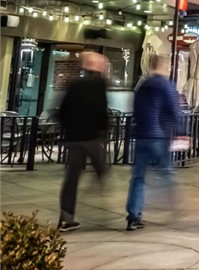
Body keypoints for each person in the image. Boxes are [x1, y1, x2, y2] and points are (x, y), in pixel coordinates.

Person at [125, 53, 186, 231]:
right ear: (164, 66)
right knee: (166, 172)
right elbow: (174, 109)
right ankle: (170, 204)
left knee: (138, 177)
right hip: (159, 136)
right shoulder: (165, 85)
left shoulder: (142, 85)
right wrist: (181, 131)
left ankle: (133, 215)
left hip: (142, 135)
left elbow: (135, 110)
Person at [56, 52, 110, 232]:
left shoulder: (73, 84)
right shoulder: (99, 85)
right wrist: (103, 130)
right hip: (91, 138)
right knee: (101, 167)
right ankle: (95, 190)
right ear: (97, 66)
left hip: (73, 139)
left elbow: (61, 112)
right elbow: (101, 111)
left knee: (71, 178)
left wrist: (68, 129)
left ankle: (66, 217)